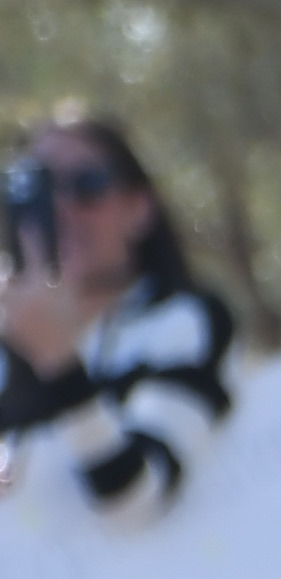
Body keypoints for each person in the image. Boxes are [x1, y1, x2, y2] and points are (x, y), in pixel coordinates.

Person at [0, 114, 235, 528]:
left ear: (139, 208)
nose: (61, 209)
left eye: (86, 185)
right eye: (38, 191)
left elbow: (137, 499)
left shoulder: (184, 320)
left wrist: (59, 362)